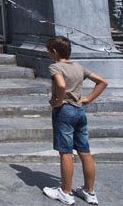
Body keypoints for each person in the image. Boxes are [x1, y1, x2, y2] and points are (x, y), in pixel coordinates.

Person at [42, 36, 107, 205]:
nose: (49, 55)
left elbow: (61, 85)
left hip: (64, 111)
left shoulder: (55, 67)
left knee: (65, 152)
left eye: (49, 52)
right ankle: (89, 191)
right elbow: (102, 82)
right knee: (84, 151)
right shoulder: (78, 66)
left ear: (54, 52)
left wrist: (57, 101)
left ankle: (65, 191)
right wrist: (88, 99)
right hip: (79, 111)